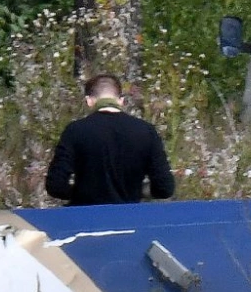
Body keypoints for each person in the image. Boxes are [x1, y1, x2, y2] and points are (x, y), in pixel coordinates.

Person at [45, 74, 175, 206]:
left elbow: (56, 185)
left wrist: (82, 192)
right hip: (129, 218)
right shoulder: (146, 131)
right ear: (121, 100)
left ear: (89, 101)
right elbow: (164, 188)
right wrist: (135, 190)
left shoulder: (75, 131)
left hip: (85, 217)